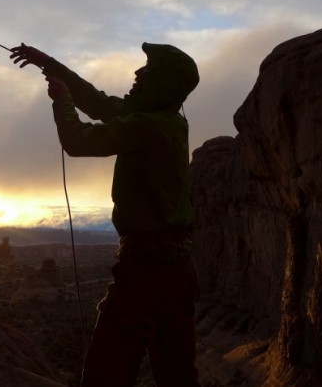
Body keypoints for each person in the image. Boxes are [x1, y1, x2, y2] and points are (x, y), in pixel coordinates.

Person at [10, 42, 201, 387]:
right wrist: (48, 64)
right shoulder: (164, 122)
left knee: (105, 375)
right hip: (177, 271)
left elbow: (79, 140)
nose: (137, 73)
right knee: (177, 377)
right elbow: (99, 103)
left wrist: (62, 101)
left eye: (147, 69)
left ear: (161, 83)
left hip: (145, 272)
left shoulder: (150, 126)